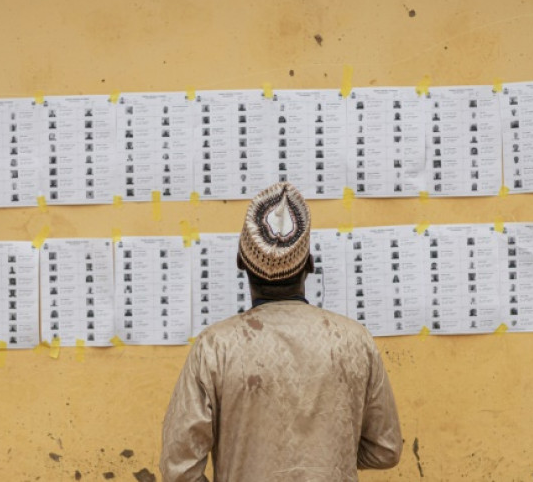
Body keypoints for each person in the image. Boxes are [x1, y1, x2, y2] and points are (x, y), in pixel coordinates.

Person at [160, 182, 402, 481]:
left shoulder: (215, 348)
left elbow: (179, 467)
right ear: (309, 265)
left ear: (241, 263)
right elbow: (385, 449)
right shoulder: (353, 340)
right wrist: (327, 456)